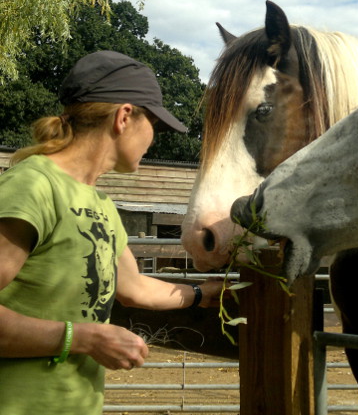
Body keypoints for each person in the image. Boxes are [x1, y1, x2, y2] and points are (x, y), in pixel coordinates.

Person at [0, 51, 225, 415]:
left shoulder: (101, 204)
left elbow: (134, 288)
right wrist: (81, 337)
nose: (155, 138)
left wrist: (209, 294)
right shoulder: (33, 187)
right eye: (154, 123)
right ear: (124, 117)